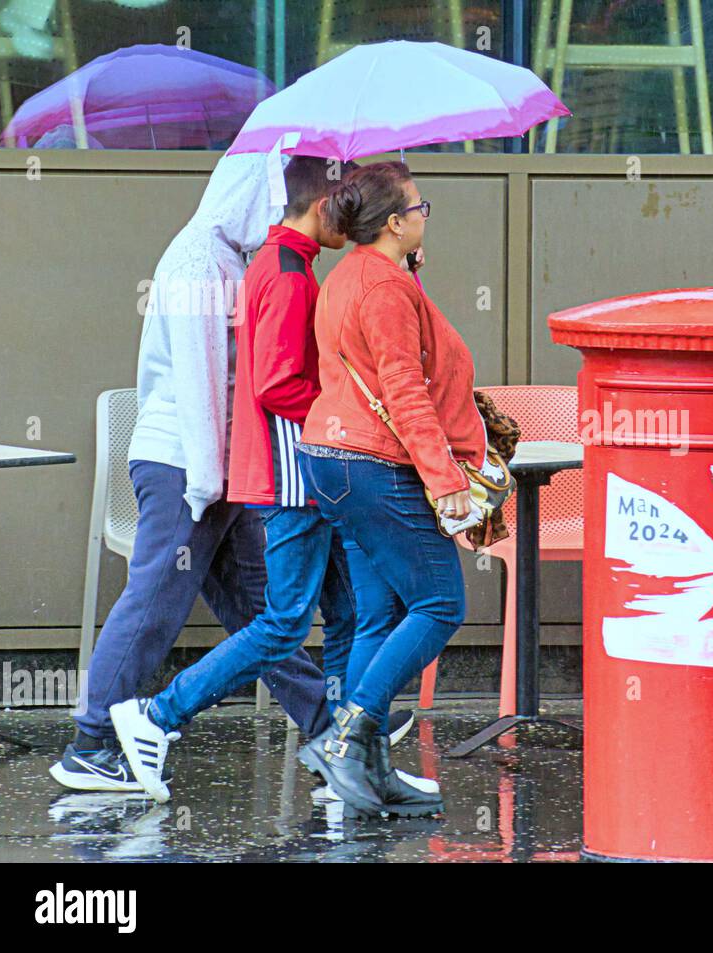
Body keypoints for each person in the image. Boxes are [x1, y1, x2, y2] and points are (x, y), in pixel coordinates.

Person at [106, 157, 418, 805]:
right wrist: (344, 409)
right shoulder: (282, 273)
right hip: (290, 475)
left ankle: (343, 749)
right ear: (319, 204)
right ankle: (153, 717)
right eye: (347, 201)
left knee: (345, 610)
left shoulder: (289, 266)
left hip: (300, 471)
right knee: (281, 621)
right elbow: (277, 383)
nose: (355, 214)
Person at [50, 154, 332, 792]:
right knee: (154, 602)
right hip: (186, 464)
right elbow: (204, 382)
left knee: (262, 610)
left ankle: (325, 730)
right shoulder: (200, 261)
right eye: (273, 204)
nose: (277, 219)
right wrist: (208, 485)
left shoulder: (222, 255)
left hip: (210, 466)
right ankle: (90, 745)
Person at [295, 161, 489, 815]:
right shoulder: (382, 288)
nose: (426, 215)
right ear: (396, 221)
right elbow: (404, 388)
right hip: (373, 464)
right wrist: (446, 481)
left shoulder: (355, 275)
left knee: (379, 615)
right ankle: (347, 742)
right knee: (438, 604)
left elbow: (381, 367)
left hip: (335, 458)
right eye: (420, 207)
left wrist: (410, 270)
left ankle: (368, 770)